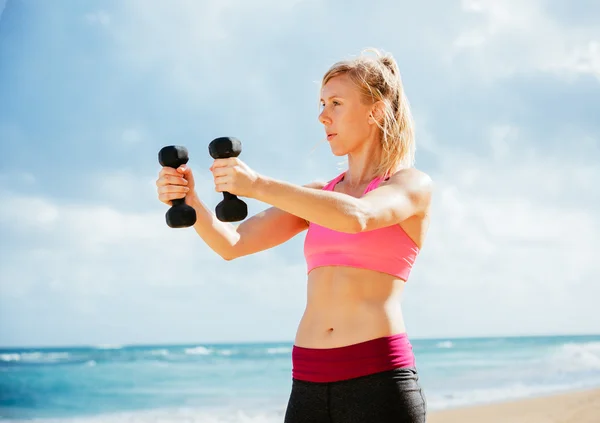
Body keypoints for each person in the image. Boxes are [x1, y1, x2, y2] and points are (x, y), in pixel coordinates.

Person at [156, 48, 432, 423]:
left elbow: (359, 217)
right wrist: (192, 201)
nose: (323, 116)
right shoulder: (320, 194)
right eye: (321, 103)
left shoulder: (410, 185)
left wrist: (256, 185)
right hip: (308, 381)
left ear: (376, 110)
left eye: (336, 103)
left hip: (378, 380)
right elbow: (232, 243)